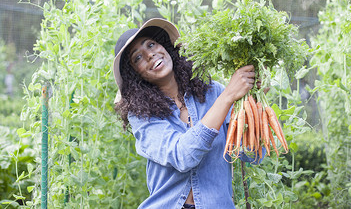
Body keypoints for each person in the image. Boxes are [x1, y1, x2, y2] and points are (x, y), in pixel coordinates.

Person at [113, 18, 264, 209]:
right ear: (136, 74)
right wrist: (228, 97)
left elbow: (250, 154)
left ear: (165, 46)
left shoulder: (213, 92)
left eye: (151, 44)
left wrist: (252, 104)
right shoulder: (142, 117)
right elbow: (183, 156)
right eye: (138, 58)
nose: (150, 55)